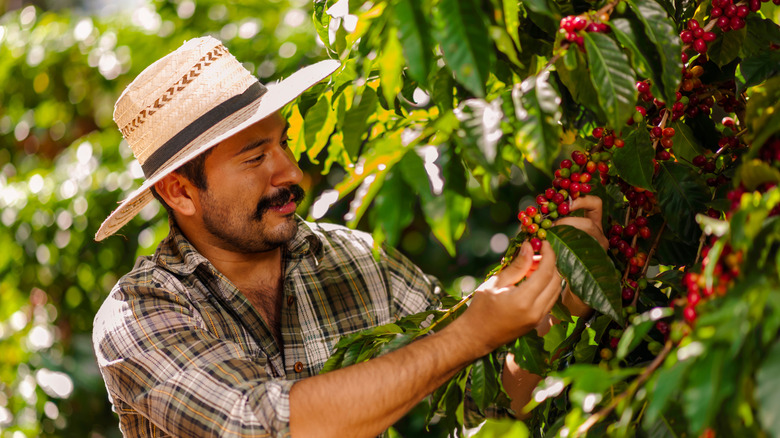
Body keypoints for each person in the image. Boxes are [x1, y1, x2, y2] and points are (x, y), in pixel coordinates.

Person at [92, 36, 605, 437]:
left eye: (283, 144)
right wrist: (471, 333)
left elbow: (476, 403)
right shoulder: (140, 315)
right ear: (180, 192)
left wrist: (555, 311)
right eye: (254, 158)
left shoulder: (356, 258)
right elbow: (264, 427)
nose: (290, 172)